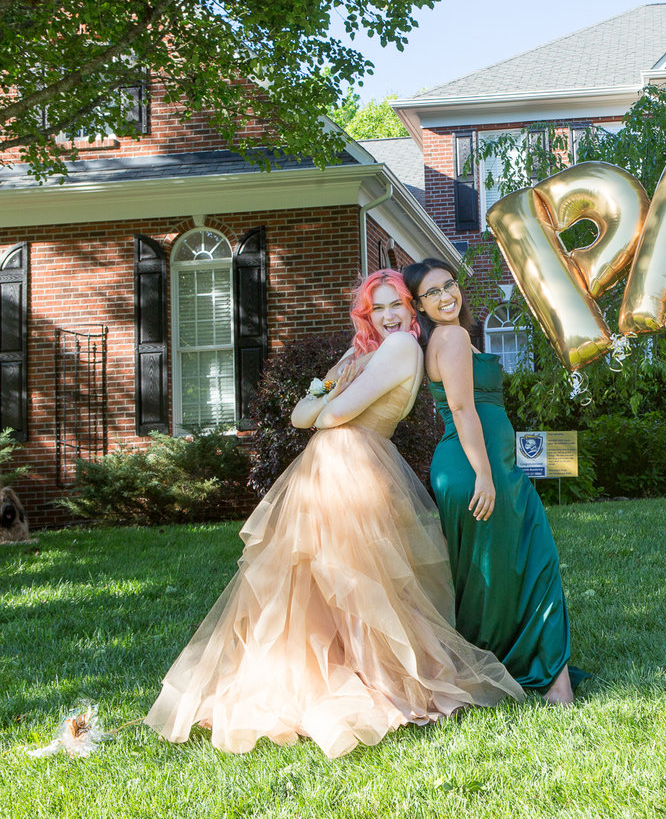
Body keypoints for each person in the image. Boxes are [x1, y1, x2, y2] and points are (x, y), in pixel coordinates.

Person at [145, 270, 522, 758]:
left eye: (396, 305)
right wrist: (329, 396)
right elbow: (300, 416)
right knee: (317, 581)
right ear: (365, 315)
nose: (388, 316)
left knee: (358, 579)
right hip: (330, 467)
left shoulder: (402, 347)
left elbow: (330, 415)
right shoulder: (363, 351)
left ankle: (383, 679)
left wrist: (330, 397)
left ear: (411, 309)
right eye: (377, 308)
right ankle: (334, 673)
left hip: (356, 464)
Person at [404, 259, 578, 704]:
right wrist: (484, 473)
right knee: (533, 558)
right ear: (419, 306)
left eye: (449, 285)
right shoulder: (451, 337)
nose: (446, 296)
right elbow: (463, 409)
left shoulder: (449, 337)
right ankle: (552, 682)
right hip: (477, 467)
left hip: (483, 464)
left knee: (495, 571)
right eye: (432, 293)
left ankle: (507, 668)